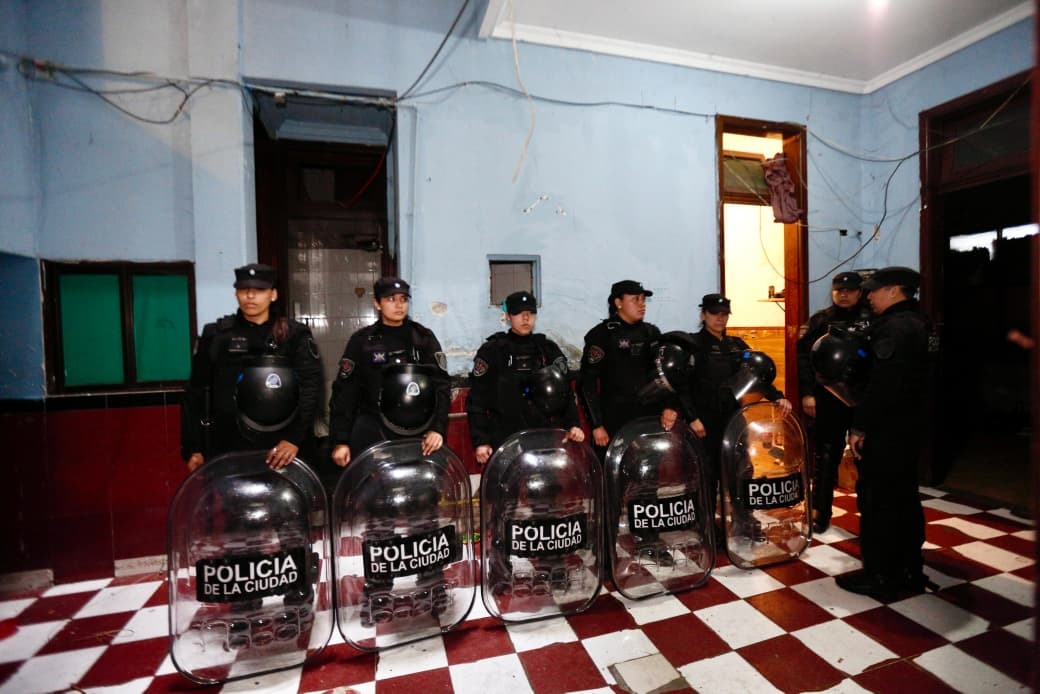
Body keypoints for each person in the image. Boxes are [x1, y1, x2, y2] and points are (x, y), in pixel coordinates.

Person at [837, 266, 934, 599]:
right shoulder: (925, 324)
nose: (870, 296)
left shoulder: (892, 329)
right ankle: (909, 568)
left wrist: (859, 426)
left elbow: (881, 387)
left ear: (894, 291)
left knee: (879, 501)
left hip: (888, 430)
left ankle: (881, 574)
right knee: (905, 498)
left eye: (875, 290)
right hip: (913, 428)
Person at [181, 263, 322, 472]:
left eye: (259, 290)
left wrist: (294, 439)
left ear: (273, 295)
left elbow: (310, 388)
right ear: (236, 294)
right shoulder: (216, 335)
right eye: (243, 289)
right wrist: (194, 447)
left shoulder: (293, 335)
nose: (250, 296)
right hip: (229, 445)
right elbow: (196, 392)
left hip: (282, 445)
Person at [678, 294, 792, 534]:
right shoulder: (693, 346)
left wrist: (778, 395)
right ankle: (706, 527)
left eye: (724, 314)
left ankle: (744, 520)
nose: (720, 319)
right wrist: (691, 418)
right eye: (714, 313)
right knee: (708, 475)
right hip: (705, 421)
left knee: (742, 470)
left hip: (734, 418)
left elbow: (757, 375)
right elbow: (682, 386)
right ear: (703, 315)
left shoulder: (737, 345)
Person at [328, 277, 450, 467]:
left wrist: (438, 429)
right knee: (373, 488)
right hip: (374, 427)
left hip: (419, 430)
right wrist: (340, 440)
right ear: (377, 303)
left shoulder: (423, 338)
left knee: (422, 488)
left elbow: (441, 385)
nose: (398, 305)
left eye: (403, 299)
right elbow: (345, 392)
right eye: (391, 299)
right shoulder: (362, 341)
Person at [467, 291, 585, 464]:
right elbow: (476, 399)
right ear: (507, 316)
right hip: (504, 437)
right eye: (518, 313)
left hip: (543, 435)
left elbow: (565, 392)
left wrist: (573, 424)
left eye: (530, 312)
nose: (525, 318)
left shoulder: (547, 349)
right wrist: (481, 441)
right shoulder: (492, 351)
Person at [796, 271, 872, 533]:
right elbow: (804, 358)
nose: (844, 294)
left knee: (865, 456)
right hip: (828, 397)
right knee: (826, 456)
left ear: (860, 293)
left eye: (850, 290)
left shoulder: (872, 319)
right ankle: (820, 513)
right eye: (839, 290)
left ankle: (870, 512)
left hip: (863, 399)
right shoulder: (821, 320)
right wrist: (807, 393)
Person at [579, 280, 663, 449]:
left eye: (643, 300)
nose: (642, 305)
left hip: (648, 417)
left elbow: (662, 376)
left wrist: (668, 407)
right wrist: (597, 425)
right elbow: (586, 383)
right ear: (618, 303)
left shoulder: (651, 333)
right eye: (635, 300)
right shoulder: (602, 335)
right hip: (614, 419)